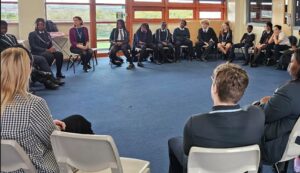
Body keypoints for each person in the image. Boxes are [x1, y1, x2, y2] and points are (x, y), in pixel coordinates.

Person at [1, 47, 94, 173]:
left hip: (6, 167)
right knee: (79, 122)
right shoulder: (33, 104)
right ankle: (95, 161)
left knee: (76, 121)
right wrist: (57, 128)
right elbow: (53, 141)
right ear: (26, 70)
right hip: (38, 167)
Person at [168, 63, 265, 173]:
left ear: (214, 88)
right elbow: (251, 108)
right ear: (241, 91)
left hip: (204, 167)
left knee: (173, 142)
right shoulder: (258, 115)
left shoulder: (194, 123)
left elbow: (187, 151)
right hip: (241, 167)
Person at [255, 49, 300, 166]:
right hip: (295, 136)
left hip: (278, 145)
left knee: (248, 120)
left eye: (292, 61)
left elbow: (264, 116)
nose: (289, 64)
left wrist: (260, 103)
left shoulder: (288, 92)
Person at [0, 20, 60, 90]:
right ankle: (46, 80)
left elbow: (18, 46)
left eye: (5, 27)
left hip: (22, 56)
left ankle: (51, 78)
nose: (4, 29)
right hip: (8, 59)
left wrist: (26, 52)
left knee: (41, 59)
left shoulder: (11, 36)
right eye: (2, 28)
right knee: (27, 64)